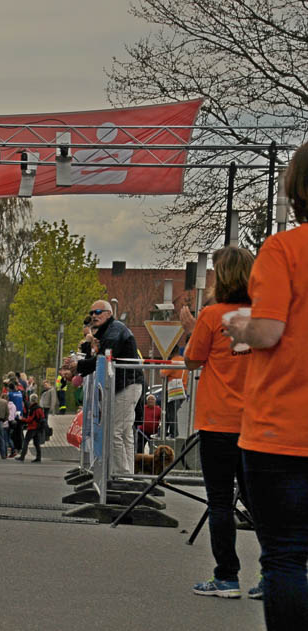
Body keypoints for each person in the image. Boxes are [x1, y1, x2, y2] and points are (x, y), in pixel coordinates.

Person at [224, 142, 308, 628]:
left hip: (281, 431)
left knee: (285, 557)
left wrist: (240, 327)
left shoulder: (283, 250)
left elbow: (270, 331)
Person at [178, 246, 256, 599]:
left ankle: (227, 577)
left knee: (220, 500)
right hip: (256, 420)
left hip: (218, 419)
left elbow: (193, 361)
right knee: (259, 500)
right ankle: (274, 572)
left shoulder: (212, 316)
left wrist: (192, 329)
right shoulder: (264, 315)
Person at [72, 300, 144, 475]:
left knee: (116, 432)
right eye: (91, 313)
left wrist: (79, 365)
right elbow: (98, 358)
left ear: (109, 313)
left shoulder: (114, 331)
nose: (94, 316)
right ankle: (127, 474)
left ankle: (121, 474)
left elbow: (103, 359)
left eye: (98, 312)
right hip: (125, 384)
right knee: (124, 432)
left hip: (126, 384)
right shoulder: (108, 331)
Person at [17, 393, 45, 462]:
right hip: (38, 427)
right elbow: (42, 417)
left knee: (26, 442)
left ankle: (22, 456)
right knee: (37, 443)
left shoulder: (32, 409)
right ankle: (38, 457)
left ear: (31, 400)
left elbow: (30, 419)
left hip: (32, 427)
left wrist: (22, 419)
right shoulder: (40, 408)